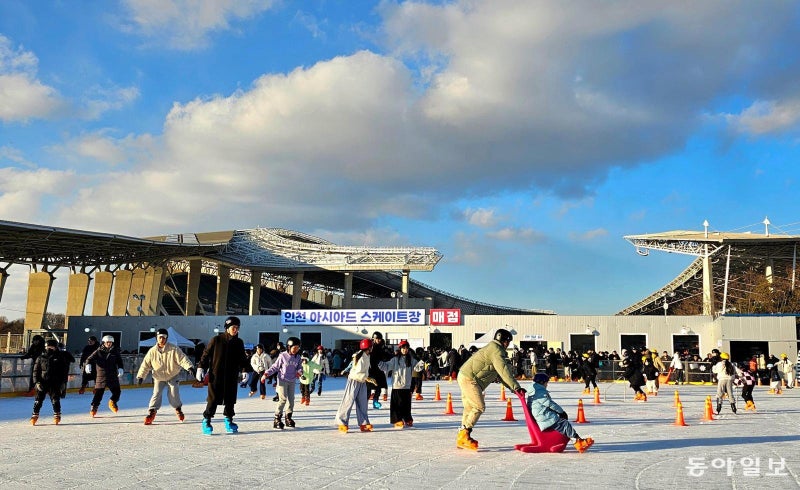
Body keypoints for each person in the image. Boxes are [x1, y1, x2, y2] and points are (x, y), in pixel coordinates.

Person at [455, 328, 525, 450]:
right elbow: (504, 372)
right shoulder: (496, 350)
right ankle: (464, 434)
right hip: (470, 378)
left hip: (465, 375)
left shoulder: (494, 348)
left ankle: (462, 437)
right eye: (508, 341)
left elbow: (501, 374)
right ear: (504, 340)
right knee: (479, 406)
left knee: (469, 408)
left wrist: (514, 389)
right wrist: (516, 388)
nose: (508, 344)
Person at [196, 316, 248, 434]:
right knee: (213, 399)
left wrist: (244, 370)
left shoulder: (239, 342)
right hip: (216, 375)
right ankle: (207, 419)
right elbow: (206, 354)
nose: (235, 330)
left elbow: (242, 359)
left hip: (231, 375)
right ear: (227, 328)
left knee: (230, 399)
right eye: (233, 327)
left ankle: (229, 420)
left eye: (237, 328)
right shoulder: (216, 340)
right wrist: (200, 367)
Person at [136, 328, 196, 425]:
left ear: (167, 338)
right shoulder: (152, 351)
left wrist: (189, 367)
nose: (162, 339)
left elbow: (182, 359)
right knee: (156, 393)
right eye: (160, 337)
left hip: (173, 375)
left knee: (174, 393)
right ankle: (152, 411)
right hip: (158, 377)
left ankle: (178, 409)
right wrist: (140, 376)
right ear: (156, 338)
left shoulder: (174, 349)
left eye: (164, 337)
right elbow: (145, 364)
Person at [527, 373, 594, 452]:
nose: (547, 385)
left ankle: (575, 440)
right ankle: (578, 442)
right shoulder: (539, 391)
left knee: (563, 423)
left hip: (541, 415)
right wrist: (561, 412)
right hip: (545, 417)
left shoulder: (534, 390)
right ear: (542, 382)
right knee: (565, 424)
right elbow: (549, 403)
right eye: (546, 383)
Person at [379, 340, 424, 428]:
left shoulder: (411, 360)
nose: (405, 350)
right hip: (397, 386)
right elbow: (387, 366)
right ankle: (397, 419)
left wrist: (422, 361)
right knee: (397, 405)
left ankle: (407, 418)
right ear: (400, 349)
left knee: (406, 405)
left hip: (407, 386)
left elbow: (417, 368)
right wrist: (379, 362)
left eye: (407, 348)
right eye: (403, 348)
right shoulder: (395, 359)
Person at [335, 338, 377, 433]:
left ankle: (364, 423)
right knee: (348, 401)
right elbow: (355, 373)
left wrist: (367, 378)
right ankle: (342, 422)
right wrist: (367, 378)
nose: (372, 348)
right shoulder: (360, 357)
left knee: (362, 403)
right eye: (371, 346)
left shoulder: (367, 355)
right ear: (368, 347)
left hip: (362, 381)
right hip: (354, 381)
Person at [263, 336, 303, 429]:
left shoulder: (298, 357)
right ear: (289, 347)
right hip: (282, 380)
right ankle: (277, 418)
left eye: (298, 348)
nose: (296, 350)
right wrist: (266, 374)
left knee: (291, 400)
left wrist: (300, 372)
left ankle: (288, 418)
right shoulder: (283, 355)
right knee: (283, 399)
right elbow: (275, 367)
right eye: (294, 348)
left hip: (292, 381)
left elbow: (300, 367)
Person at [30, 339, 70, 425]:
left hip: (55, 382)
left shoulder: (60, 357)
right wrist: (36, 382)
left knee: (55, 400)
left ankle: (57, 415)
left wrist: (63, 383)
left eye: (51, 347)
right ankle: (34, 415)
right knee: (38, 400)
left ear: (55, 347)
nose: (49, 349)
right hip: (42, 382)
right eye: (48, 347)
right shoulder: (40, 358)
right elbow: (35, 371)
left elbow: (64, 372)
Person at [84, 335, 124, 417]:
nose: (109, 344)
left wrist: (120, 368)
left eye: (110, 342)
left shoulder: (115, 351)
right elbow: (89, 359)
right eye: (107, 342)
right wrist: (87, 365)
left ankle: (112, 402)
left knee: (117, 392)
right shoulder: (98, 351)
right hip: (101, 375)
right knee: (98, 394)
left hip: (112, 375)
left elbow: (119, 361)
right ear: (104, 342)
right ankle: (94, 407)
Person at [368, 332, 392, 407]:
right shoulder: (370, 347)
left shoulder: (382, 347)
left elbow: (385, 355)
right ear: (373, 339)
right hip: (371, 369)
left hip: (379, 369)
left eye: (380, 339)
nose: (379, 340)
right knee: (369, 386)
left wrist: (390, 355)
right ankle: (366, 400)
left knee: (379, 386)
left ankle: (375, 401)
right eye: (377, 339)